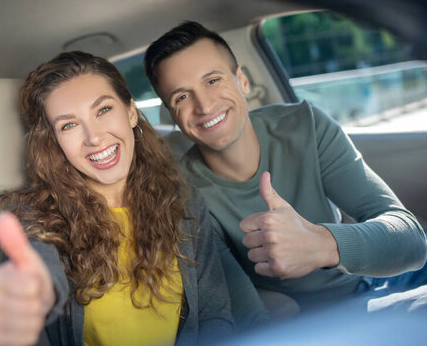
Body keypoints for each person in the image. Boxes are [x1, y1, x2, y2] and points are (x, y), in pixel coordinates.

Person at [143, 21, 427, 310]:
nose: (203, 105)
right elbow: (240, 306)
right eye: (182, 96)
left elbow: (412, 241)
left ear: (242, 80)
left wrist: (321, 244)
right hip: (312, 318)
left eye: (213, 80)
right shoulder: (182, 192)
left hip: (375, 278)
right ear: (172, 116)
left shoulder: (306, 124)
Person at [0, 51, 247, 346]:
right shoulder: (32, 218)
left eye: (103, 110)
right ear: (54, 143)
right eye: (69, 125)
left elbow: (214, 312)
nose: (94, 137)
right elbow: (37, 271)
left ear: (130, 111)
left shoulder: (182, 200)